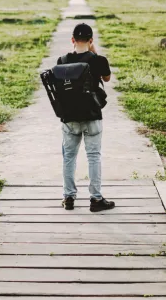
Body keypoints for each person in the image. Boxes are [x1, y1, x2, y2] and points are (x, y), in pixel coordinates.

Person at [58, 22, 116, 212]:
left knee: (69, 158)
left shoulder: (62, 60)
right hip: (92, 116)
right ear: (91, 40)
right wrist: (94, 52)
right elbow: (107, 78)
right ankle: (96, 199)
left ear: (73, 40)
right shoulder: (98, 60)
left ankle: (68, 198)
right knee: (93, 157)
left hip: (70, 117)